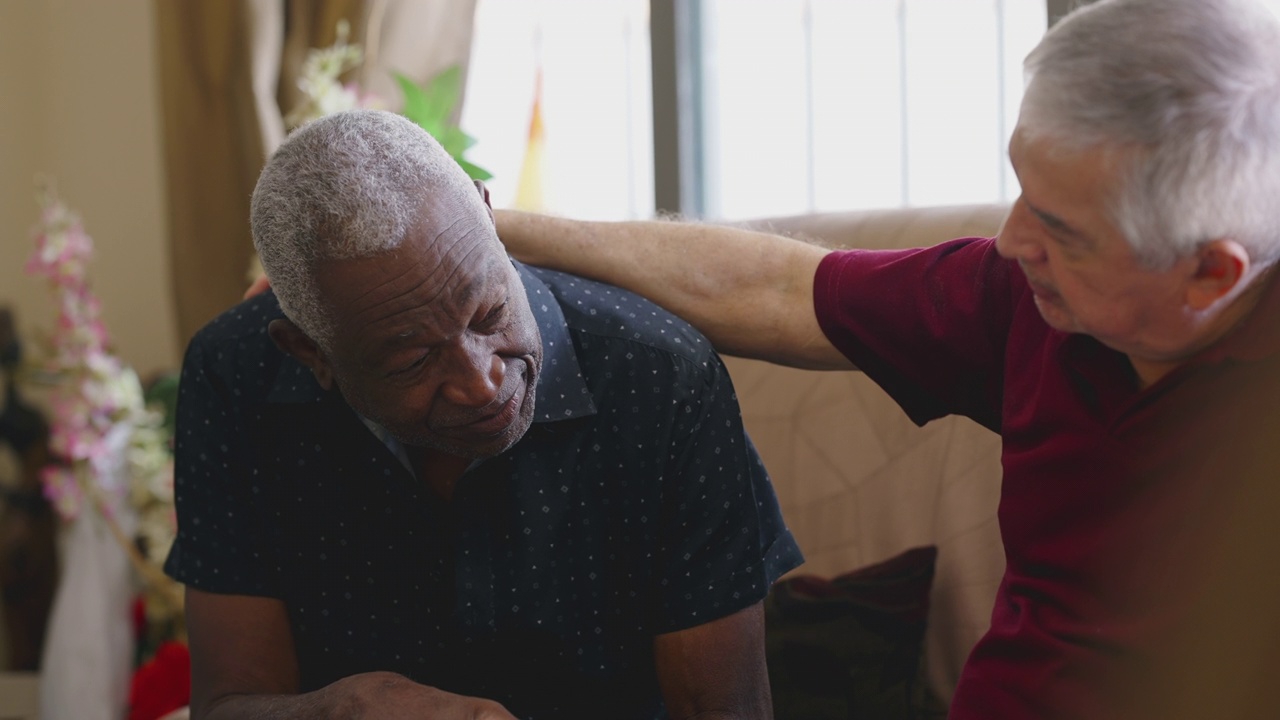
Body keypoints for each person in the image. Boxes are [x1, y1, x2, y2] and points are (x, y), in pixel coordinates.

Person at [494, 0, 1280, 717]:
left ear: (1213, 273)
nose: (1010, 242)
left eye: (1062, 231)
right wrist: (495, 227)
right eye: (1021, 191)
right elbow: (777, 290)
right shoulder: (1022, 299)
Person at [164, 109, 802, 720]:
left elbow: (725, 708)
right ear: (311, 354)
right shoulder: (234, 377)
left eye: (490, 313)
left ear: (489, 218)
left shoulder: (660, 376)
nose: (482, 381)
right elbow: (229, 702)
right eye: (414, 361)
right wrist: (339, 711)